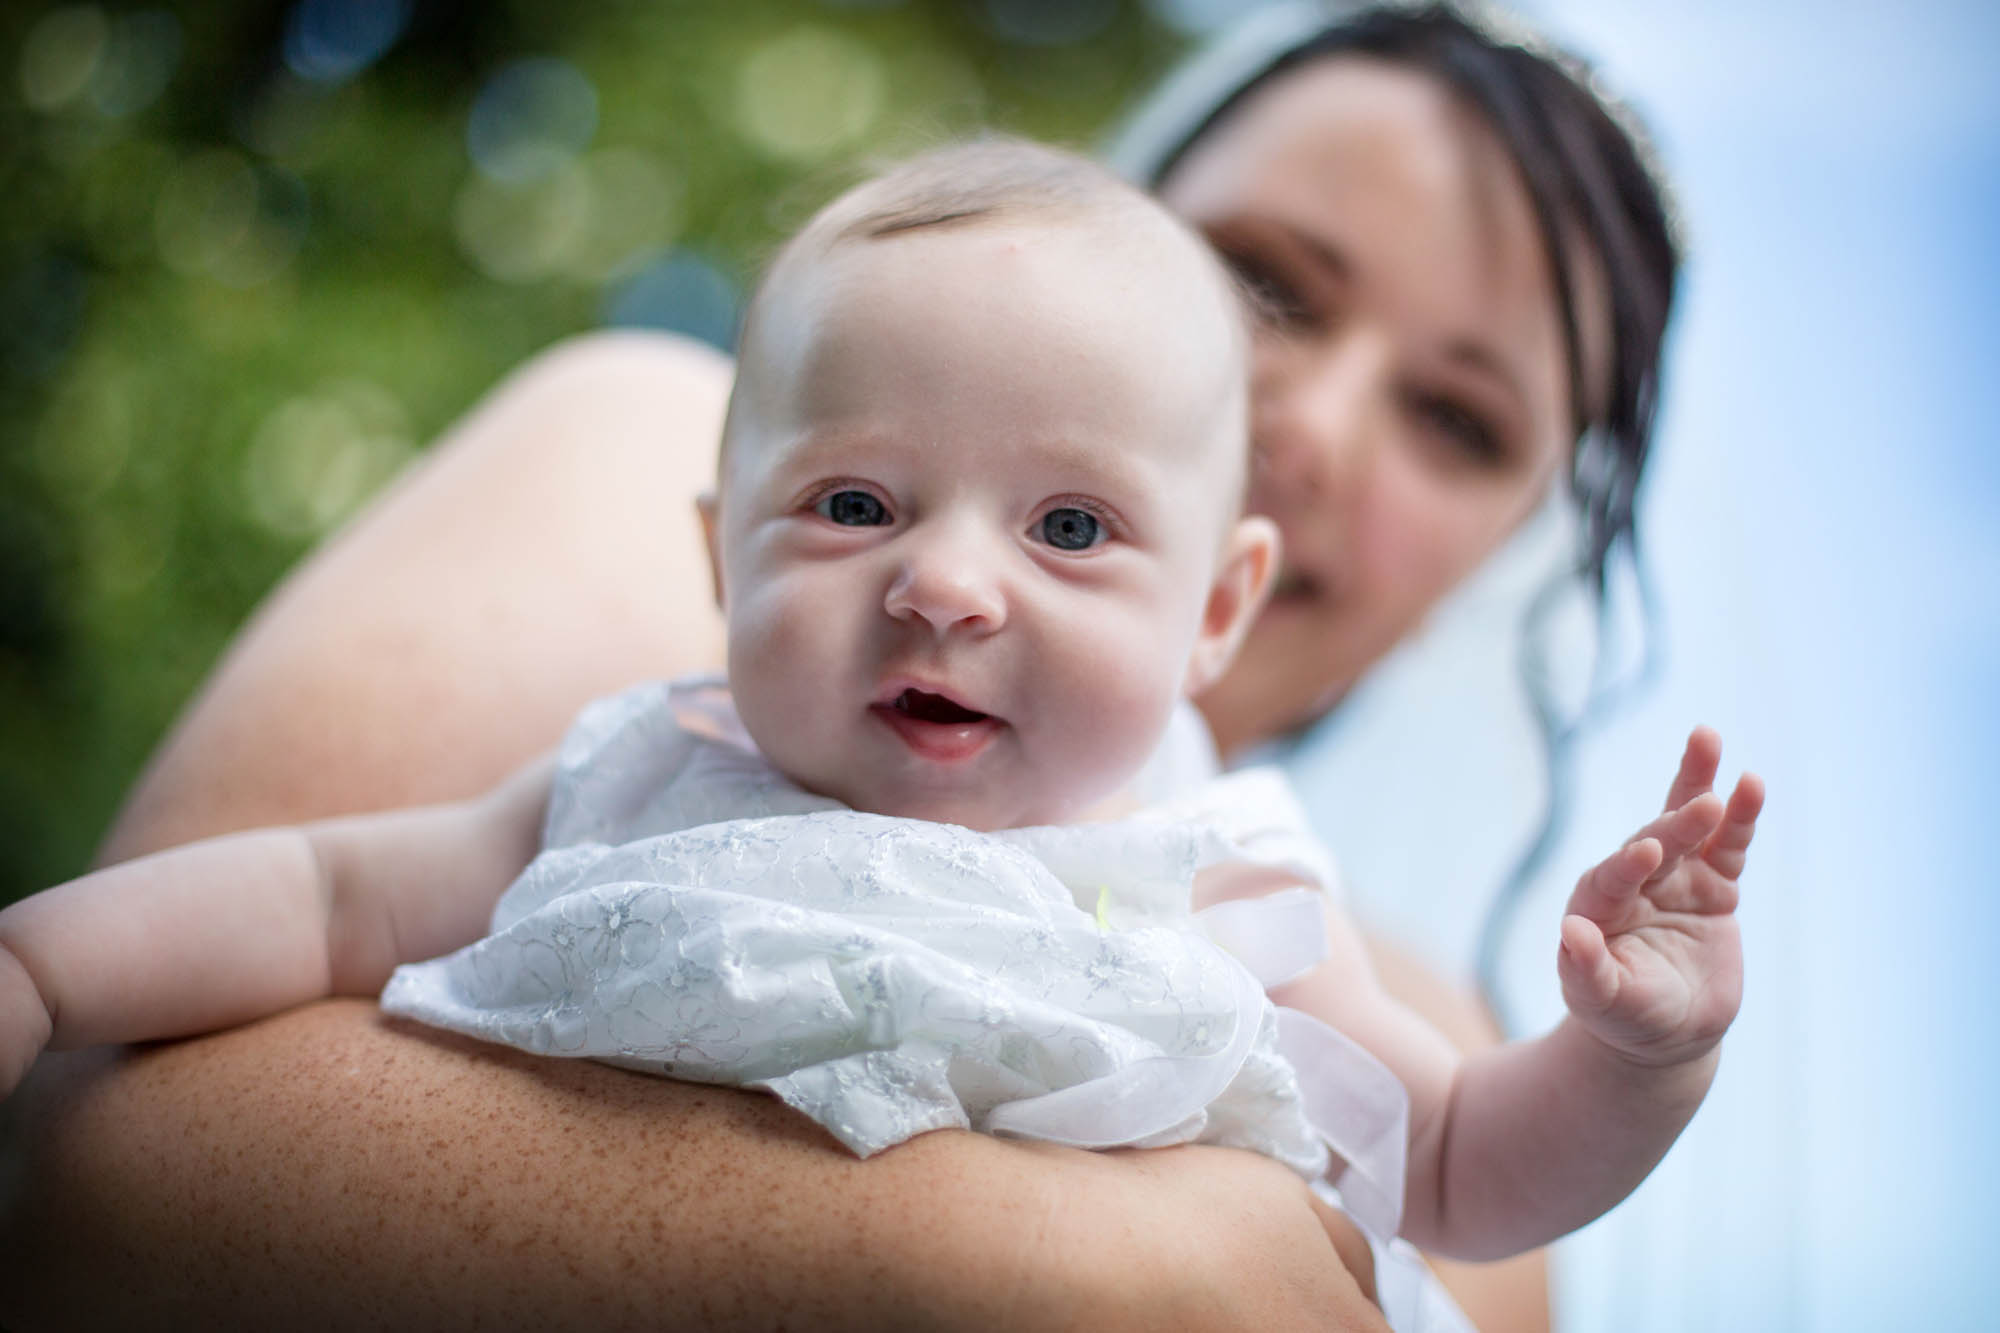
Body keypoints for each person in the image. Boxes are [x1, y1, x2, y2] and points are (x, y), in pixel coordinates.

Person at [0, 6, 1719, 1330]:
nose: (1317, 423)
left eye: (1458, 418)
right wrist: (42, 964)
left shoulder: (1254, 900)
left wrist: (1638, 1059)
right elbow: (287, 936)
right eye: (1264, 281)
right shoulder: (669, 732)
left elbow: (1467, 1158)